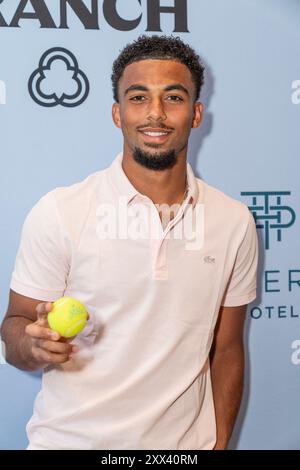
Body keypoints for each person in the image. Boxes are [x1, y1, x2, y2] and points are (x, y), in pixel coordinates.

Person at [0, 35, 258, 450]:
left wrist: (220, 440)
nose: (155, 113)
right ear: (118, 114)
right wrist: (32, 343)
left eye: (173, 98)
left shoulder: (234, 221)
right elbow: (14, 328)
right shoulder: (61, 211)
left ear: (196, 114)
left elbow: (227, 349)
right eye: (139, 97)